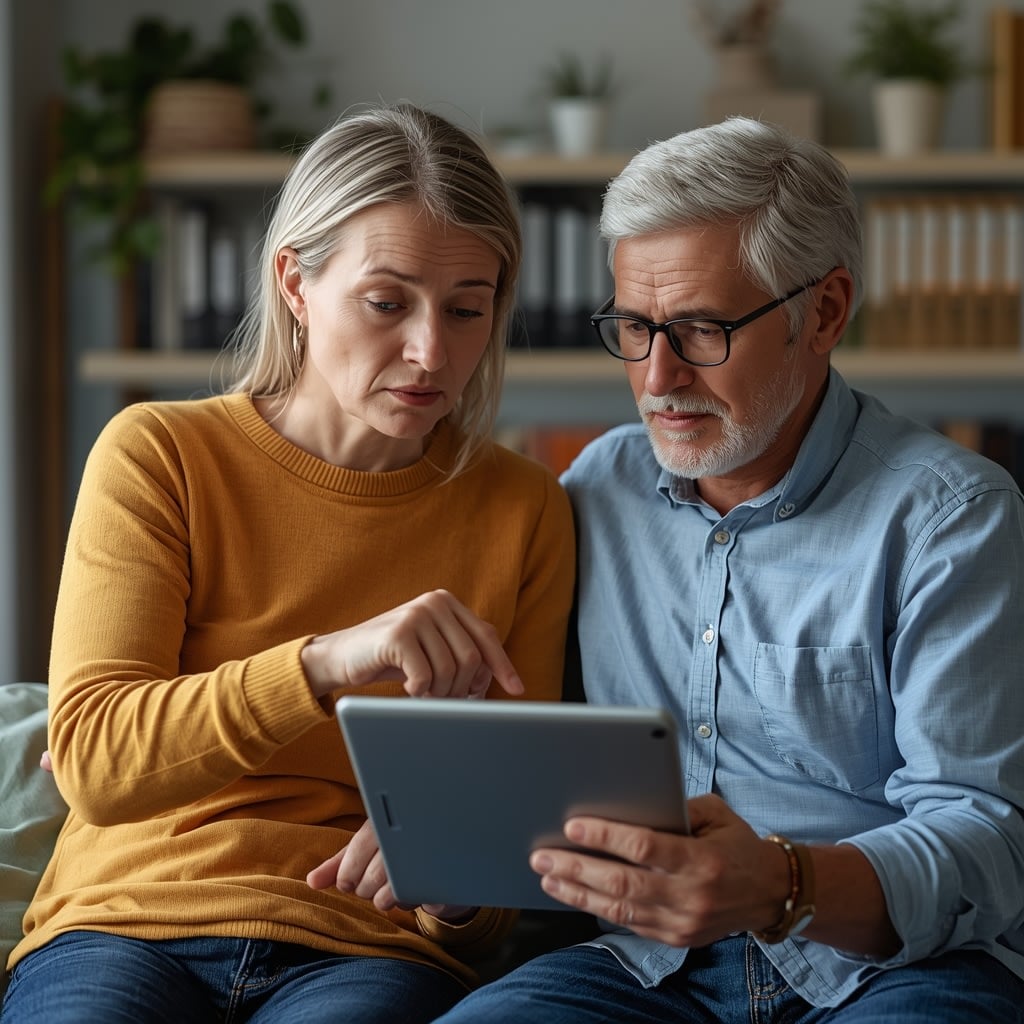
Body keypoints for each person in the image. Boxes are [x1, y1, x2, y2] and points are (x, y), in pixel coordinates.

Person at [434, 117, 1024, 1023]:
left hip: (890, 967)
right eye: (634, 326)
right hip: (642, 965)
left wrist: (784, 886)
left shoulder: (951, 517)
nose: (658, 375)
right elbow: (537, 751)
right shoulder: (597, 486)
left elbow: (991, 837)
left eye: (702, 329)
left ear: (823, 312)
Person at [0, 103, 575, 1024]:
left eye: (468, 310)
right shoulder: (160, 453)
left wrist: (451, 871)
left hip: (363, 947)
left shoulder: (524, 509)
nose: (432, 351)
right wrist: (323, 663)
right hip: (126, 923)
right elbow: (97, 764)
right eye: (387, 303)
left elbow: (490, 901)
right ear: (295, 285)